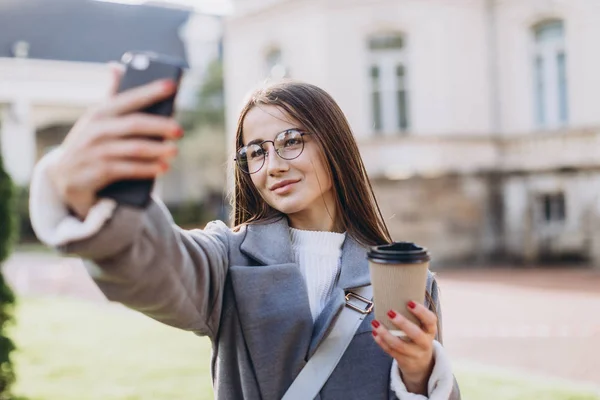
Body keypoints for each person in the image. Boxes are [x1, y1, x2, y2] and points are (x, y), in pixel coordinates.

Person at [29, 65, 461, 400]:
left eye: (291, 140)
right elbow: (156, 265)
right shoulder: (228, 259)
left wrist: (421, 370)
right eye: (255, 152)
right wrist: (90, 192)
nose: (272, 166)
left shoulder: (402, 276)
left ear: (334, 143)